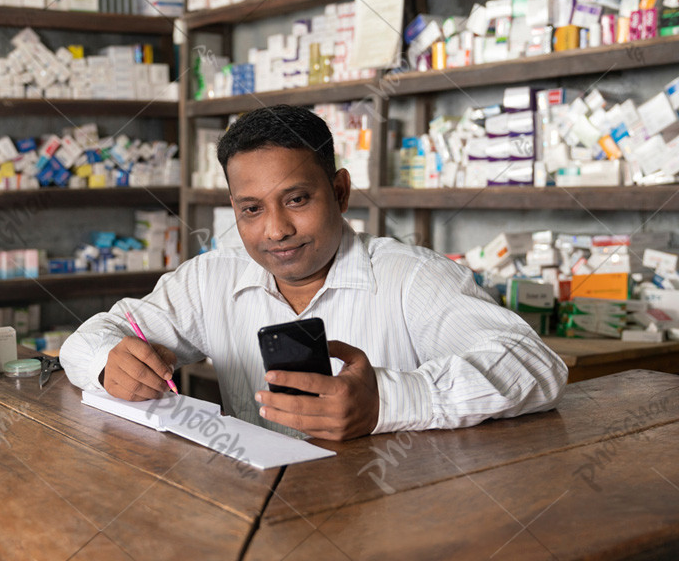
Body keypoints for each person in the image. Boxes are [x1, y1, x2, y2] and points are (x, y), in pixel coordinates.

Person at [60, 105, 567, 441]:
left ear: (341, 193)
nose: (276, 230)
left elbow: (535, 365)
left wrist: (389, 401)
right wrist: (110, 361)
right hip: (262, 512)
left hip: (395, 513)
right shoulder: (211, 278)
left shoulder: (409, 278)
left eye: (297, 200)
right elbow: (93, 335)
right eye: (251, 209)